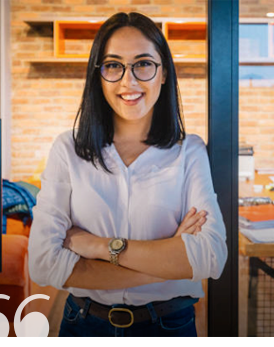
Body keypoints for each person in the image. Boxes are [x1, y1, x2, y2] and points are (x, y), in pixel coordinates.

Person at [28, 12, 228, 337]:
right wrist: (171, 258)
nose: (128, 81)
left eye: (143, 63)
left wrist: (96, 246)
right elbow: (43, 263)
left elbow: (211, 256)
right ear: (99, 75)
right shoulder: (68, 149)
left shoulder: (189, 151)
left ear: (163, 73)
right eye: (113, 65)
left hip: (169, 327)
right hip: (83, 325)